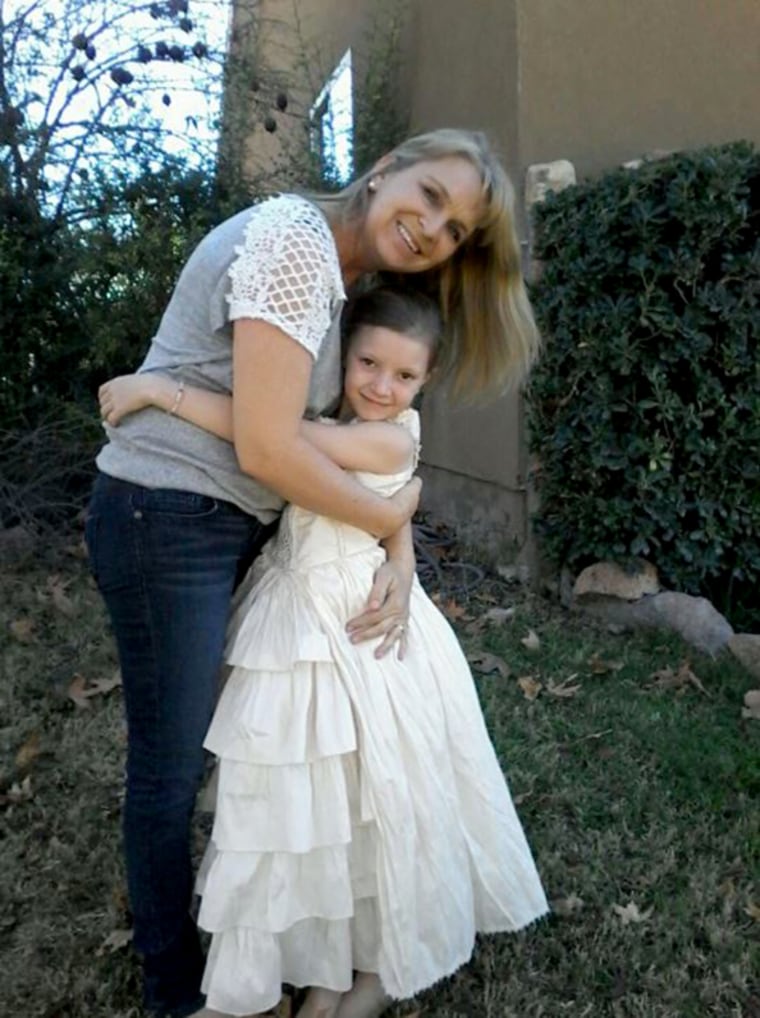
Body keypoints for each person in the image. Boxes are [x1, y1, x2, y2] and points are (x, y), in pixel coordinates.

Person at [87, 128, 541, 1018]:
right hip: (168, 516)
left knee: (240, 749)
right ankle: (174, 988)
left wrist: (396, 543)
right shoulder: (296, 243)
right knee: (170, 769)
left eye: (454, 232)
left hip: (227, 523)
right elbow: (270, 445)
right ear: (385, 170)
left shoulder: (341, 283)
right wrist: (386, 519)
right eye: (432, 197)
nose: (434, 230)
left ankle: (286, 939)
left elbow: (358, 456)